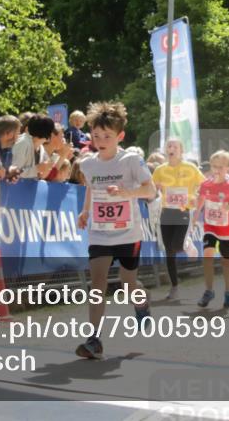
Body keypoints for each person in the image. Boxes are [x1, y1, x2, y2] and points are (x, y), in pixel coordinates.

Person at [75, 101, 155, 359]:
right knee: (97, 284)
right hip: (99, 233)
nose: (100, 140)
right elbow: (91, 188)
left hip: (128, 234)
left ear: (120, 136)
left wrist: (127, 192)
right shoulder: (88, 163)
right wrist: (86, 210)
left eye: (107, 136)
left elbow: (150, 190)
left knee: (127, 284)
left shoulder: (130, 160)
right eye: (96, 135)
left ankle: (142, 304)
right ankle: (94, 340)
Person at [151, 138, 206, 300]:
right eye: (169, 146)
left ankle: (186, 243)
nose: (171, 148)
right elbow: (151, 189)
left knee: (176, 244)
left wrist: (196, 197)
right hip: (166, 211)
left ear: (181, 150)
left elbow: (204, 185)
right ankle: (174, 286)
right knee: (169, 252)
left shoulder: (190, 168)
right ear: (166, 150)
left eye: (175, 146)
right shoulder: (160, 169)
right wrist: (156, 188)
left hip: (183, 210)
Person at [196, 150, 229, 309]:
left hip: (227, 228)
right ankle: (209, 290)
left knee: (226, 262)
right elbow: (200, 200)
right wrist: (195, 216)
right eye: (214, 166)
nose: (216, 170)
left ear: (228, 168)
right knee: (208, 254)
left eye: (220, 167)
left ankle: (228, 291)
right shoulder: (206, 184)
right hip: (210, 225)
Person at [12, 113, 55, 179]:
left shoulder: (41, 149)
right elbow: (12, 173)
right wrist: (36, 169)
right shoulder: (22, 143)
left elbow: (41, 175)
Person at [0, 114, 21, 179]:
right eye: (18, 133)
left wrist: (10, 172)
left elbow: (3, 171)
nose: (19, 137)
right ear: (8, 133)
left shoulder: (8, 149)